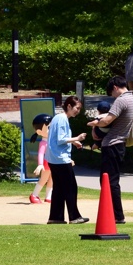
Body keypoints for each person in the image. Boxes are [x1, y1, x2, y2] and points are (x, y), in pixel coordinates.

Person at [87, 76, 133, 225]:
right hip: (118, 144)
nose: (112, 97)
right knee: (110, 180)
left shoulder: (121, 100)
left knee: (109, 181)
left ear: (115, 87)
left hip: (113, 145)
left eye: (111, 93)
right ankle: (115, 214)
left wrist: (94, 123)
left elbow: (107, 120)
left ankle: (117, 215)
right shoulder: (132, 99)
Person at [46, 96, 89, 225]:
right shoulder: (62, 119)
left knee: (59, 189)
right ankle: (74, 217)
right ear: (69, 106)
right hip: (60, 159)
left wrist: (74, 142)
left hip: (53, 158)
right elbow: (60, 139)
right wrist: (78, 138)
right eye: (77, 108)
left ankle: (55, 217)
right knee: (71, 188)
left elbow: (58, 138)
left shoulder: (58, 118)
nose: (78, 111)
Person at [27, 113, 53, 204]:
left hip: (53, 162)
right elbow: (41, 154)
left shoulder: (52, 141)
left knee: (52, 179)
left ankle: (48, 196)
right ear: (39, 132)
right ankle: (34, 194)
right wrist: (40, 164)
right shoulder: (43, 143)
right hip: (46, 163)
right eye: (49, 128)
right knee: (44, 179)